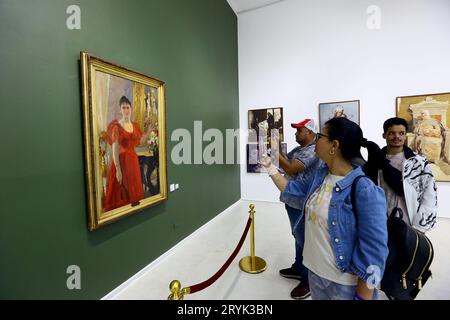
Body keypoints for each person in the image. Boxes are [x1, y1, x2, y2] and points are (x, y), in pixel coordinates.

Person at [261, 117, 388, 300]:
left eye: (320, 136)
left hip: (343, 285)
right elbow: (291, 189)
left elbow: (374, 253)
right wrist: (270, 167)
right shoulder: (320, 177)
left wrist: (363, 297)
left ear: (334, 145)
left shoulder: (365, 190)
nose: (316, 140)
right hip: (316, 274)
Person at [364, 117, 437, 232]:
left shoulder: (418, 163)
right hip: (380, 223)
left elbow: (430, 196)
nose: (397, 137)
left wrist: (420, 227)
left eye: (401, 133)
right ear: (384, 135)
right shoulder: (375, 162)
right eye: (392, 133)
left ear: (405, 135)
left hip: (410, 224)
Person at [275, 119, 320, 299]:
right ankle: (298, 267)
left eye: (299, 130)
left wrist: (275, 152)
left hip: (302, 203)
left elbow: (292, 169)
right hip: (292, 200)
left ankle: (308, 279)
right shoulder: (299, 150)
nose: (296, 134)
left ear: (309, 132)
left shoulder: (312, 151)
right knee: (297, 236)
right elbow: (283, 163)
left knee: (305, 240)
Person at [104, 96, 152, 211]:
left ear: (131, 109)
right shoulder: (116, 127)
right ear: (120, 110)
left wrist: (149, 130)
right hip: (122, 162)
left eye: (128, 107)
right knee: (122, 191)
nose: (126, 110)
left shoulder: (134, 126)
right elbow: (115, 149)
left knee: (134, 191)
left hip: (133, 161)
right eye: (123, 107)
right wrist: (118, 169)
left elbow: (140, 141)